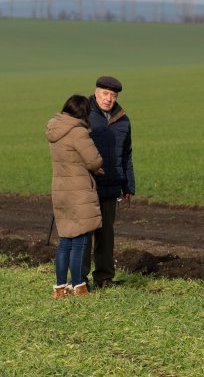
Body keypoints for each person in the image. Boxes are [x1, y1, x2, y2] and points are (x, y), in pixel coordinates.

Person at [45, 95, 104, 298]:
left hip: (60, 191)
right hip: (77, 191)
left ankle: (60, 288)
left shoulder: (54, 129)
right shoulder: (78, 132)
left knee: (65, 241)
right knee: (79, 241)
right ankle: (79, 286)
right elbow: (94, 160)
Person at [82, 76, 135, 289]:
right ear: (96, 93)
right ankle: (80, 280)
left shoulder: (123, 120)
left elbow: (127, 154)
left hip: (112, 186)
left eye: (114, 95)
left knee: (106, 235)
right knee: (83, 235)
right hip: (87, 185)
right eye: (105, 93)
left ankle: (104, 278)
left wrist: (128, 184)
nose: (109, 99)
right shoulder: (83, 115)